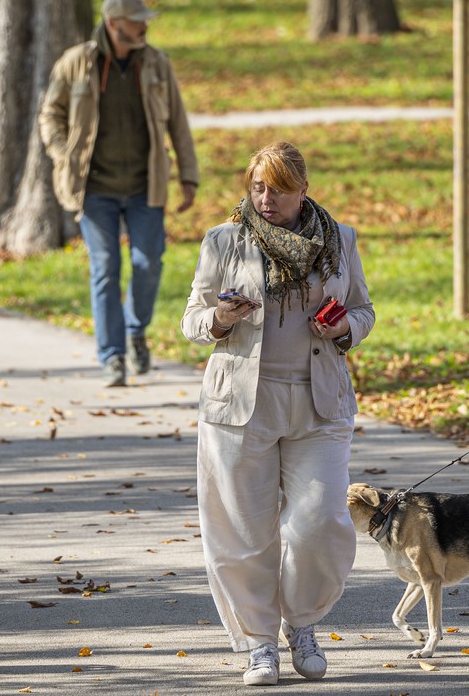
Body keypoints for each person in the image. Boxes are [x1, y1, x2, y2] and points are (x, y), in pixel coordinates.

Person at [181, 141, 375, 687]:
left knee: (320, 521)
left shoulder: (340, 240)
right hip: (239, 403)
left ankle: (302, 622)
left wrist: (345, 329)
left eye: (279, 188)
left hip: (319, 400)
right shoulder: (224, 240)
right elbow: (192, 318)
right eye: (258, 187)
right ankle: (259, 643)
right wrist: (219, 319)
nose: (266, 199)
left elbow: (363, 308)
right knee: (242, 530)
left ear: (303, 189)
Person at [39, 0, 199, 387]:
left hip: (147, 186)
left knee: (148, 264)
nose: (145, 26)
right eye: (137, 21)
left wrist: (188, 175)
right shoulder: (77, 63)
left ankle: (135, 330)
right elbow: (50, 113)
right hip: (94, 189)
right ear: (114, 23)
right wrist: (63, 153)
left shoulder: (156, 63)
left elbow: (177, 121)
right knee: (105, 268)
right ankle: (112, 357)